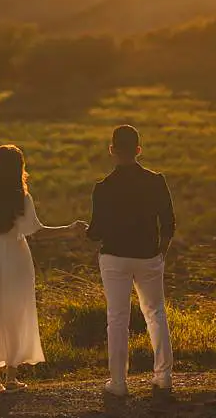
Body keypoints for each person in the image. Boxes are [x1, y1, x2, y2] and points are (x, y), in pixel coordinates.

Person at [0, 144, 86, 394]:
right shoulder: (22, 198)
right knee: (16, 314)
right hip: (18, 258)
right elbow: (38, 231)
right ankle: (11, 377)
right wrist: (70, 228)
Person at [87, 124, 175, 399]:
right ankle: (163, 378)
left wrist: (85, 232)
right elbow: (169, 223)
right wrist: (161, 251)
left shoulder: (102, 188)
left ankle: (118, 382)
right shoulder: (156, 180)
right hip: (148, 256)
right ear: (139, 150)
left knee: (117, 319)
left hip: (114, 258)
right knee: (156, 314)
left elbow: (96, 233)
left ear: (112, 150)